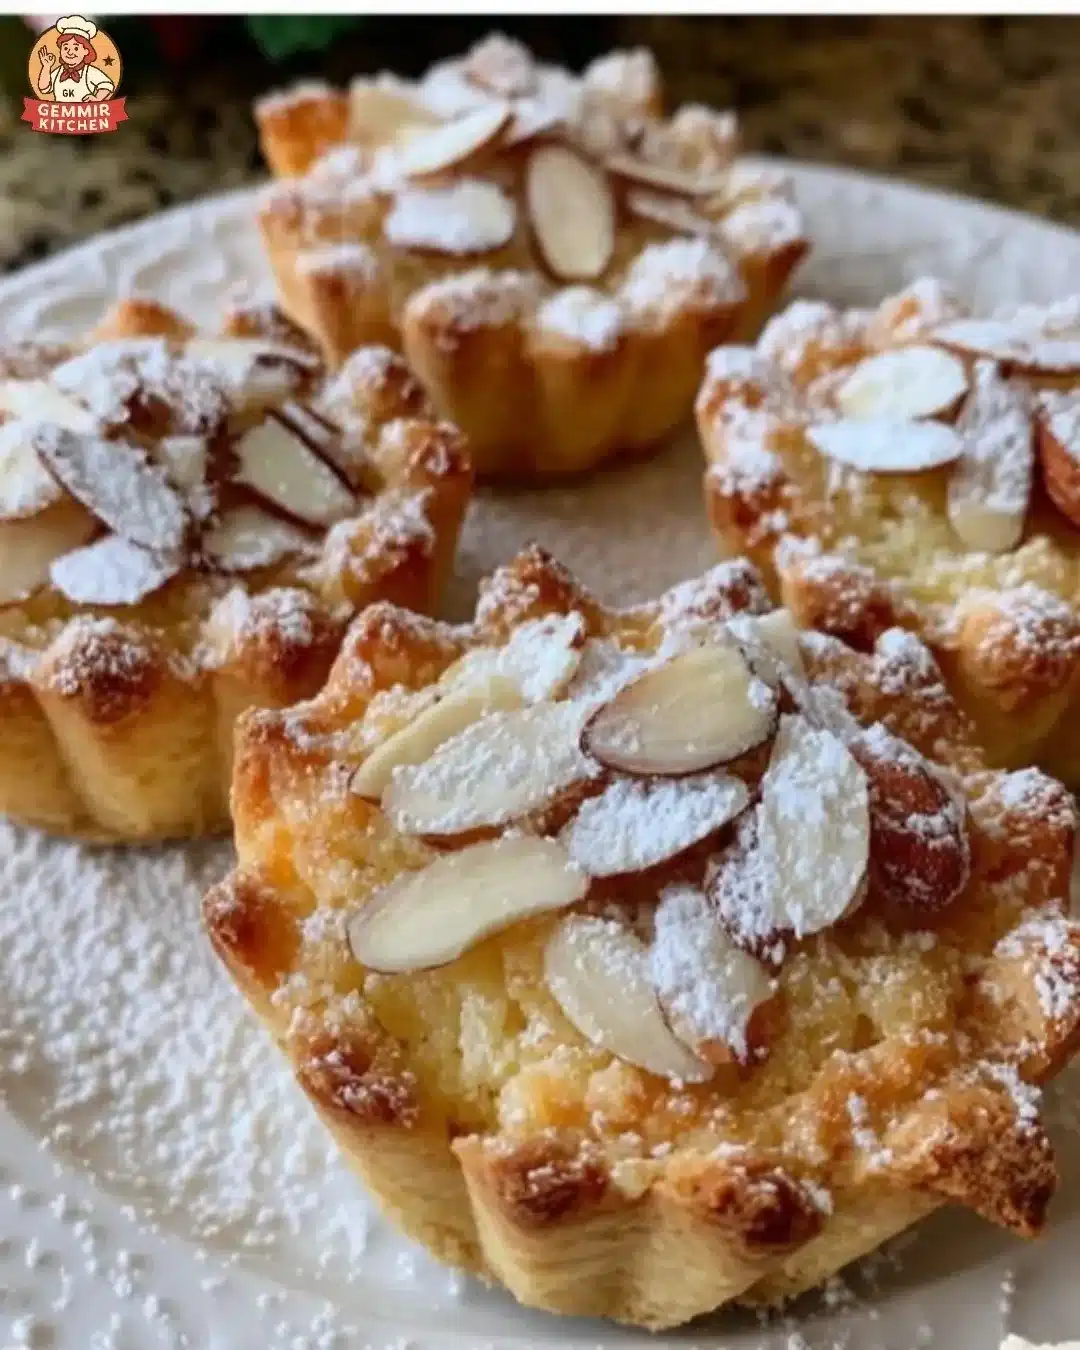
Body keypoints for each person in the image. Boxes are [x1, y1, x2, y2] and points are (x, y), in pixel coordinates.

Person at [36, 15, 115, 103]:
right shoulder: (59, 71)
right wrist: (46, 67)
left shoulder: (89, 71)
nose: (70, 52)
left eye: (76, 48)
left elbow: (107, 85)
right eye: (65, 48)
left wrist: (97, 98)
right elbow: (44, 88)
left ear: (86, 51)